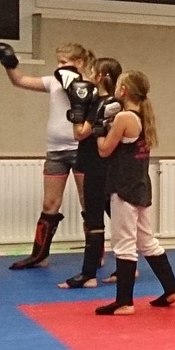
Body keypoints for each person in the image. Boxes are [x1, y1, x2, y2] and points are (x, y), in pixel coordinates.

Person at [0, 41, 94, 270]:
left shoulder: (91, 84)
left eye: (65, 62)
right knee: (49, 203)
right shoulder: (53, 82)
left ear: (79, 63)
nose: (60, 66)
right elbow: (20, 80)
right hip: (56, 151)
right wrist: (9, 62)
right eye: (58, 62)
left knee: (88, 203)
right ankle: (39, 255)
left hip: (82, 150)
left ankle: (94, 254)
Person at [93, 71, 175, 316]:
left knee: (123, 243)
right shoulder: (144, 115)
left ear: (123, 91)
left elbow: (103, 150)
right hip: (140, 184)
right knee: (146, 240)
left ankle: (124, 301)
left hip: (124, 186)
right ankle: (172, 288)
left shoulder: (124, 117)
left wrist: (99, 128)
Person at [60, 57, 122, 289]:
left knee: (95, 217)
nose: (86, 77)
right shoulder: (104, 102)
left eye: (91, 72)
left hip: (98, 167)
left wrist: (77, 110)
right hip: (96, 163)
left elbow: (80, 133)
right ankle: (126, 266)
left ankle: (89, 273)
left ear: (99, 76)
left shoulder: (105, 104)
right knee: (113, 216)